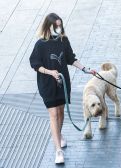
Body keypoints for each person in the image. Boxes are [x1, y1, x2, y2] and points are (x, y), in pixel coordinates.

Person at [29, 13, 96, 164]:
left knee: (60, 112)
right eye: (56, 25)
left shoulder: (63, 40)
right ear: (49, 26)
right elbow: (35, 64)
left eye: (60, 25)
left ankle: (58, 136)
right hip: (47, 84)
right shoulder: (40, 44)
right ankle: (58, 150)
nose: (59, 28)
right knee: (53, 113)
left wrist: (86, 69)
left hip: (63, 83)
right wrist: (50, 72)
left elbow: (70, 58)